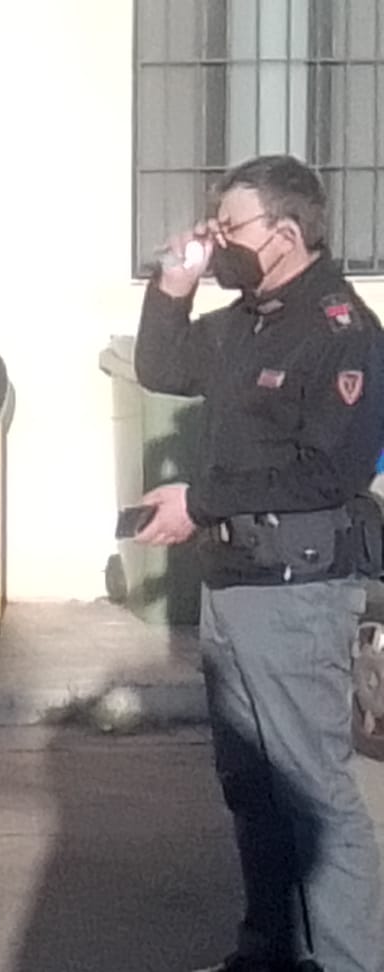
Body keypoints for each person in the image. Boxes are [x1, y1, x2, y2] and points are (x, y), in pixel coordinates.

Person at [134, 154, 384, 972]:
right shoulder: (247, 320)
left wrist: (201, 501)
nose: (217, 241)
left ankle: (347, 960)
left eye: (229, 226)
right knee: (251, 784)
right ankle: (270, 950)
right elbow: (163, 367)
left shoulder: (340, 331)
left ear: (285, 233)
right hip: (234, 578)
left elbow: (331, 472)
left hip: (297, 588)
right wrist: (174, 286)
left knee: (313, 791)